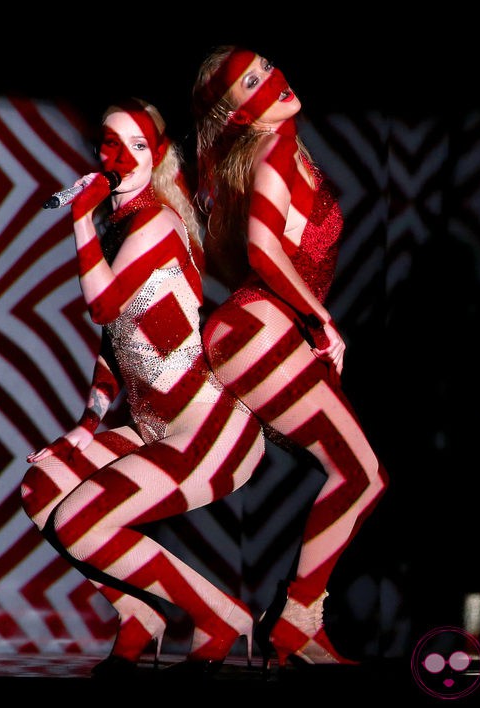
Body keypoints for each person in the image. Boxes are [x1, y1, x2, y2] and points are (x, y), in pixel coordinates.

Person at [20, 97, 265, 678]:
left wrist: (79, 218)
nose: (122, 157)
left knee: (81, 520)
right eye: (112, 144)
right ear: (98, 152)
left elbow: (102, 304)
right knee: (42, 487)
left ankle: (221, 618)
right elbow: (113, 351)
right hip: (154, 428)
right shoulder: (121, 230)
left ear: (154, 157)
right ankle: (138, 617)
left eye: (137, 147)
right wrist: (81, 434)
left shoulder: (156, 222)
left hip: (212, 429)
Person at [191, 46, 389, 668]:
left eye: (267, 65)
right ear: (243, 115)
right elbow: (263, 250)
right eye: (250, 82)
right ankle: (296, 621)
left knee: (350, 475)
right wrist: (321, 317)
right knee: (360, 475)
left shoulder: (285, 148)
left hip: (253, 334)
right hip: (261, 331)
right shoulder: (274, 149)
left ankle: (254, 617)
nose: (272, 79)